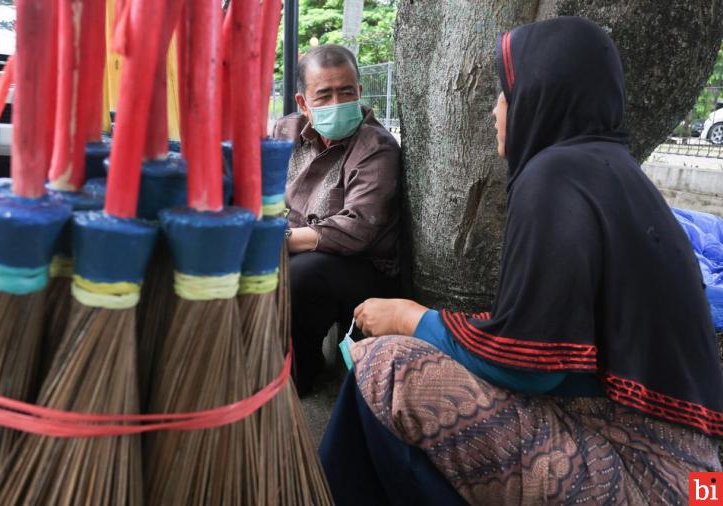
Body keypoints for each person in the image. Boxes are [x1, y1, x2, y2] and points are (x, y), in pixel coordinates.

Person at [319, 17, 723, 505]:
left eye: (506, 92)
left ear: (543, 96)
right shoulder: (617, 174)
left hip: (651, 475)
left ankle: (323, 488)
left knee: (388, 365)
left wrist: (411, 318)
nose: (495, 110)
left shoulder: (555, 176)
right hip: (704, 484)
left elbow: (532, 364)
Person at [273, 44, 401, 394]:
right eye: (324, 94)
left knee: (301, 274)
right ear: (303, 103)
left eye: (346, 92)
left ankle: (304, 369)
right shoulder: (285, 134)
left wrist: (278, 239)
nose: (337, 103)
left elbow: (356, 228)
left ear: (360, 91)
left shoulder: (376, 146)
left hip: (361, 266)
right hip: (298, 247)